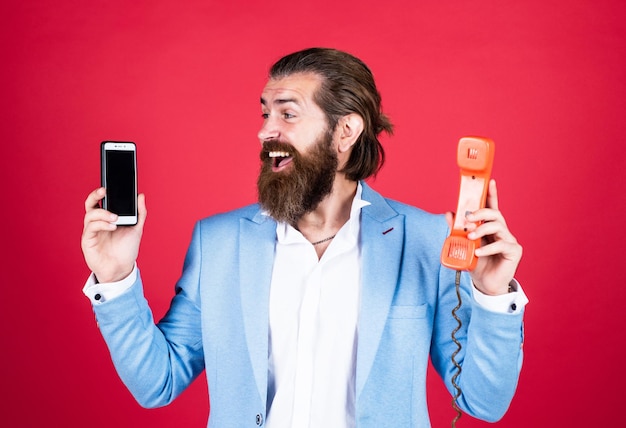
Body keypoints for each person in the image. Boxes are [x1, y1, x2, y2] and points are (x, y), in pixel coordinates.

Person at [81, 47, 528, 428]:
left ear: (345, 131)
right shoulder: (216, 244)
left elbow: (484, 403)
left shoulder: (427, 239)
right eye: (264, 113)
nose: (265, 131)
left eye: (287, 114)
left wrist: (492, 296)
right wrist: (116, 279)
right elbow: (157, 382)